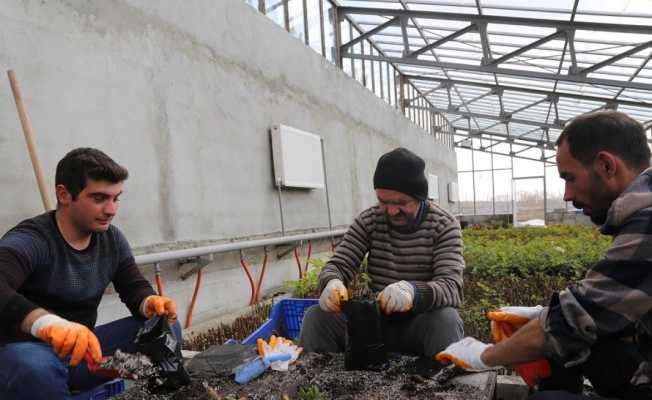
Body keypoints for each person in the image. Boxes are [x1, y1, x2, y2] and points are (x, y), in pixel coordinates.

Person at [436, 111, 652, 400]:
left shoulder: (648, 223)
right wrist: (543, 315)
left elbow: (576, 319)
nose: (566, 194)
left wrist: (485, 355)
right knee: (568, 347)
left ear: (606, 165)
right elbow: (607, 305)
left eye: (570, 178)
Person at [0, 148, 179, 399]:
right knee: (33, 366)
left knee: (165, 328)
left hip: (82, 356)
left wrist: (149, 302)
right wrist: (47, 324)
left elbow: (133, 285)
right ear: (64, 194)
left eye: (116, 198)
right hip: (25, 354)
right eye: (99, 198)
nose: (111, 210)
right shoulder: (33, 239)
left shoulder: (111, 239)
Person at [299, 147, 464, 359]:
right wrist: (332, 282)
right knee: (316, 317)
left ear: (420, 197)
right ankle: (314, 386)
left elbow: (452, 287)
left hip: (420, 322)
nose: (392, 210)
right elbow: (339, 264)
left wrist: (413, 292)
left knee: (446, 320)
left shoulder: (444, 225)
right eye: (383, 201)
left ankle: (443, 388)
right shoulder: (370, 220)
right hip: (374, 320)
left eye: (401, 203)